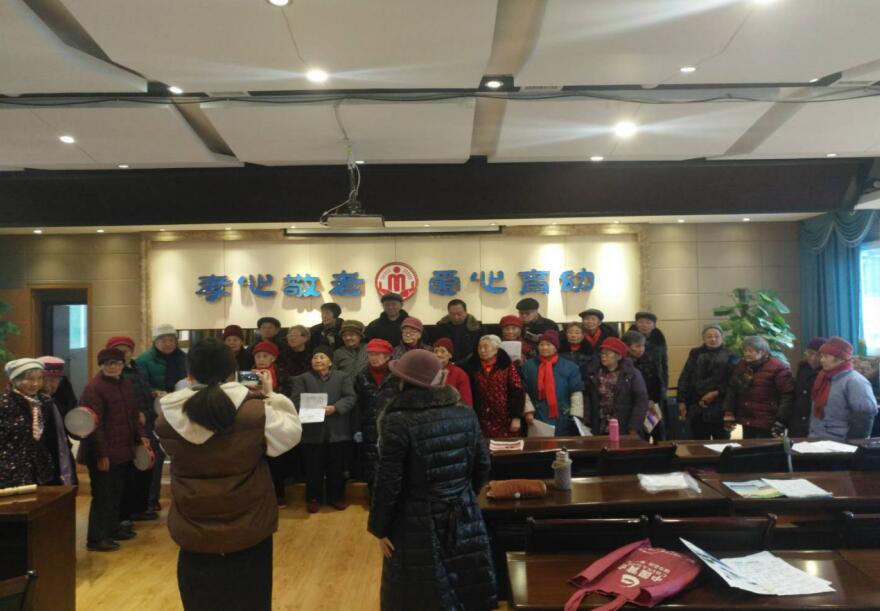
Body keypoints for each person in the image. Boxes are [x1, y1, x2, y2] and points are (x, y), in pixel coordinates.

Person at [155, 338, 301, 611]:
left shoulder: (167, 418)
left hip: (194, 528)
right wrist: (271, 396)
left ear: (189, 375)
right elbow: (290, 436)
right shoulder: (256, 411)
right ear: (233, 373)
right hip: (249, 528)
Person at [368, 349, 497, 611]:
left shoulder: (397, 420)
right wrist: (461, 494)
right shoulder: (465, 413)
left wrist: (380, 528)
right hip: (463, 511)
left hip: (414, 518)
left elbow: (388, 481)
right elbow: (482, 465)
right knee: (466, 585)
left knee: (422, 593)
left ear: (405, 381)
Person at [78, 348, 148, 552]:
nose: (113, 367)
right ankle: (97, 538)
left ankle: (113, 529)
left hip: (123, 449)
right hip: (103, 452)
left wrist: (141, 437)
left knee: (117, 493)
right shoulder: (94, 388)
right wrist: (102, 454)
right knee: (102, 495)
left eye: (117, 363)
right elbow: (93, 425)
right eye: (108, 363)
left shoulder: (125, 384)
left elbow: (133, 415)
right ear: (101, 366)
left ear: (123, 365)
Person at [290, 346, 357, 513]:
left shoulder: (343, 377)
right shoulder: (302, 379)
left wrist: (335, 408)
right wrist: (310, 408)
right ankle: (314, 498)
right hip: (312, 431)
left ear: (330, 362)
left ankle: (337, 497)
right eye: (315, 357)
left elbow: (350, 397)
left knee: (337, 468)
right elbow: (295, 401)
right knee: (313, 468)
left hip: (338, 430)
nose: (318, 360)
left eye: (322, 357)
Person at [105, 336, 160, 521]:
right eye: (119, 351)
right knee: (133, 471)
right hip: (129, 428)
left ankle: (143, 506)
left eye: (126, 351)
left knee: (148, 463)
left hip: (145, 423)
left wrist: (152, 394)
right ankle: (131, 512)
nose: (123, 355)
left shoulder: (139, 368)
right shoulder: (114, 376)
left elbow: (142, 392)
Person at [1, 358, 74, 488]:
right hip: (10, 474)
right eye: (29, 379)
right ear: (13, 380)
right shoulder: (4, 404)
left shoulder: (44, 402)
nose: (35, 383)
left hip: (41, 472)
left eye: (39, 378)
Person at [723, 336, 795, 439]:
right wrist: (729, 412)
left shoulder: (779, 367)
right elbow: (733, 389)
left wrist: (781, 420)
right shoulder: (742, 365)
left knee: (767, 448)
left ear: (763, 352)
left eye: (750, 351)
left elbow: (787, 395)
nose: (747, 354)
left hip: (769, 421)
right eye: (745, 351)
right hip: (747, 419)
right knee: (749, 447)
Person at [809, 337, 878, 441]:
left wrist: (852, 444)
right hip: (816, 438)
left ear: (840, 359)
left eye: (826, 356)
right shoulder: (822, 377)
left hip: (840, 442)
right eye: (822, 356)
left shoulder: (855, 381)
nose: (821, 360)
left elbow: (864, 417)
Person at [677, 324, 738, 440]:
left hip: (721, 406)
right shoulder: (695, 353)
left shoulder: (731, 355)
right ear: (703, 338)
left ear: (722, 337)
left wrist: (716, 393)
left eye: (716, 336)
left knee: (722, 443)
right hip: (697, 405)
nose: (713, 339)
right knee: (698, 442)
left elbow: (734, 382)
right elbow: (685, 377)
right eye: (709, 336)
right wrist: (681, 401)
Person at [521, 330, 584, 436]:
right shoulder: (528, 366)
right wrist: (528, 411)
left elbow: (576, 392)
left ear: (555, 347)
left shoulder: (570, 367)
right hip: (537, 415)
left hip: (563, 414)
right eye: (542, 344)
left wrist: (576, 416)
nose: (545, 348)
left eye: (548, 345)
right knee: (540, 444)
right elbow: (523, 391)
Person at [354, 339, 397, 495]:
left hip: (392, 425)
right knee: (371, 462)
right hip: (369, 426)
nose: (373, 357)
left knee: (392, 461)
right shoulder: (361, 376)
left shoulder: (397, 374)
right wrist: (357, 428)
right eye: (371, 354)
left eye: (378, 354)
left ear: (388, 356)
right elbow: (357, 404)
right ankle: (373, 497)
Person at [584, 337, 648, 436]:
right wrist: (587, 420)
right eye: (602, 353)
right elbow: (588, 398)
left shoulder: (631, 374)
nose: (603, 356)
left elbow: (641, 401)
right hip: (600, 424)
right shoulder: (595, 373)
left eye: (607, 353)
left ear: (618, 356)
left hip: (623, 424)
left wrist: (634, 426)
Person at [463, 335, 525, 438]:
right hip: (480, 419)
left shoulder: (506, 366)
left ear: (496, 350)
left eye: (486, 347)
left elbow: (517, 391)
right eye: (480, 347)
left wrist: (516, 417)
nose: (482, 350)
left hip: (504, 419)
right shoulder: (472, 366)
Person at [775, 337, 826, 437]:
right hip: (796, 422)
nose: (813, 358)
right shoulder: (802, 368)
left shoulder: (827, 373)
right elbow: (794, 396)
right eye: (810, 353)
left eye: (818, 355)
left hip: (815, 424)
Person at [623, 331, 666, 440]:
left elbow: (657, 383)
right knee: (638, 437)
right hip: (632, 406)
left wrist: (653, 400)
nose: (641, 349)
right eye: (637, 346)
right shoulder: (623, 363)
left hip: (651, 404)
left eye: (643, 346)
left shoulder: (650, 360)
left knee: (657, 434)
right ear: (626, 347)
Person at [433, 299, 483, 365]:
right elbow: (435, 349)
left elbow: (479, 350)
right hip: (445, 364)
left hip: (472, 364)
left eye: (459, 314)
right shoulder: (440, 328)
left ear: (465, 312)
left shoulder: (476, 328)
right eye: (452, 314)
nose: (456, 317)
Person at [629, 311, 669, 387]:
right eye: (641, 322)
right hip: (634, 382)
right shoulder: (628, 339)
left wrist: (664, 385)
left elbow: (664, 364)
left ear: (654, 326)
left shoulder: (659, 341)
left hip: (655, 384)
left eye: (648, 322)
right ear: (636, 324)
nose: (644, 325)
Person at [433, 338, 473, 407]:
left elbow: (466, 403)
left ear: (450, 355)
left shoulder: (460, 374)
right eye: (436, 351)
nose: (438, 354)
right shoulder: (427, 371)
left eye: (442, 351)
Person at [276, 325, 312, 394]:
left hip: (306, 390)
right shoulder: (281, 355)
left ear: (305, 338)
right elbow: (280, 375)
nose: (292, 338)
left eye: (295, 335)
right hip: (285, 390)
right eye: (290, 335)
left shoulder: (311, 356)